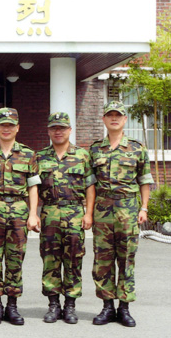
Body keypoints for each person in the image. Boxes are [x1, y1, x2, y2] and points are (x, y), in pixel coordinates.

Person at [0, 107, 41, 326]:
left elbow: (33, 188)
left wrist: (33, 214)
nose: (6, 128)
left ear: (17, 128)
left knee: (15, 260)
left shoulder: (29, 154)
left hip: (19, 213)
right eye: (2, 124)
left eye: (10, 125)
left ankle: (12, 306)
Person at [90, 101, 153, 327]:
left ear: (125, 120)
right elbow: (89, 184)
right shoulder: (95, 148)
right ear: (104, 120)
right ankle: (107, 307)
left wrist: (144, 207)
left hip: (128, 209)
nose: (114, 118)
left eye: (118, 115)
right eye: (110, 115)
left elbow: (144, 180)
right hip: (102, 210)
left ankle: (124, 308)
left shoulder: (137, 148)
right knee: (103, 260)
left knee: (126, 259)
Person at [36, 112, 95, 324]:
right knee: (50, 260)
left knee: (73, 259)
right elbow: (32, 188)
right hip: (50, 213)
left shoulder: (82, 156)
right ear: (49, 131)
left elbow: (90, 186)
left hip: (75, 214)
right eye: (54, 128)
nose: (58, 132)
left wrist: (88, 213)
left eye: (62, 128)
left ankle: (70, 305)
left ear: (70, 130)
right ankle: (53, 305)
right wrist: (33, 214)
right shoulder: (40, 157)